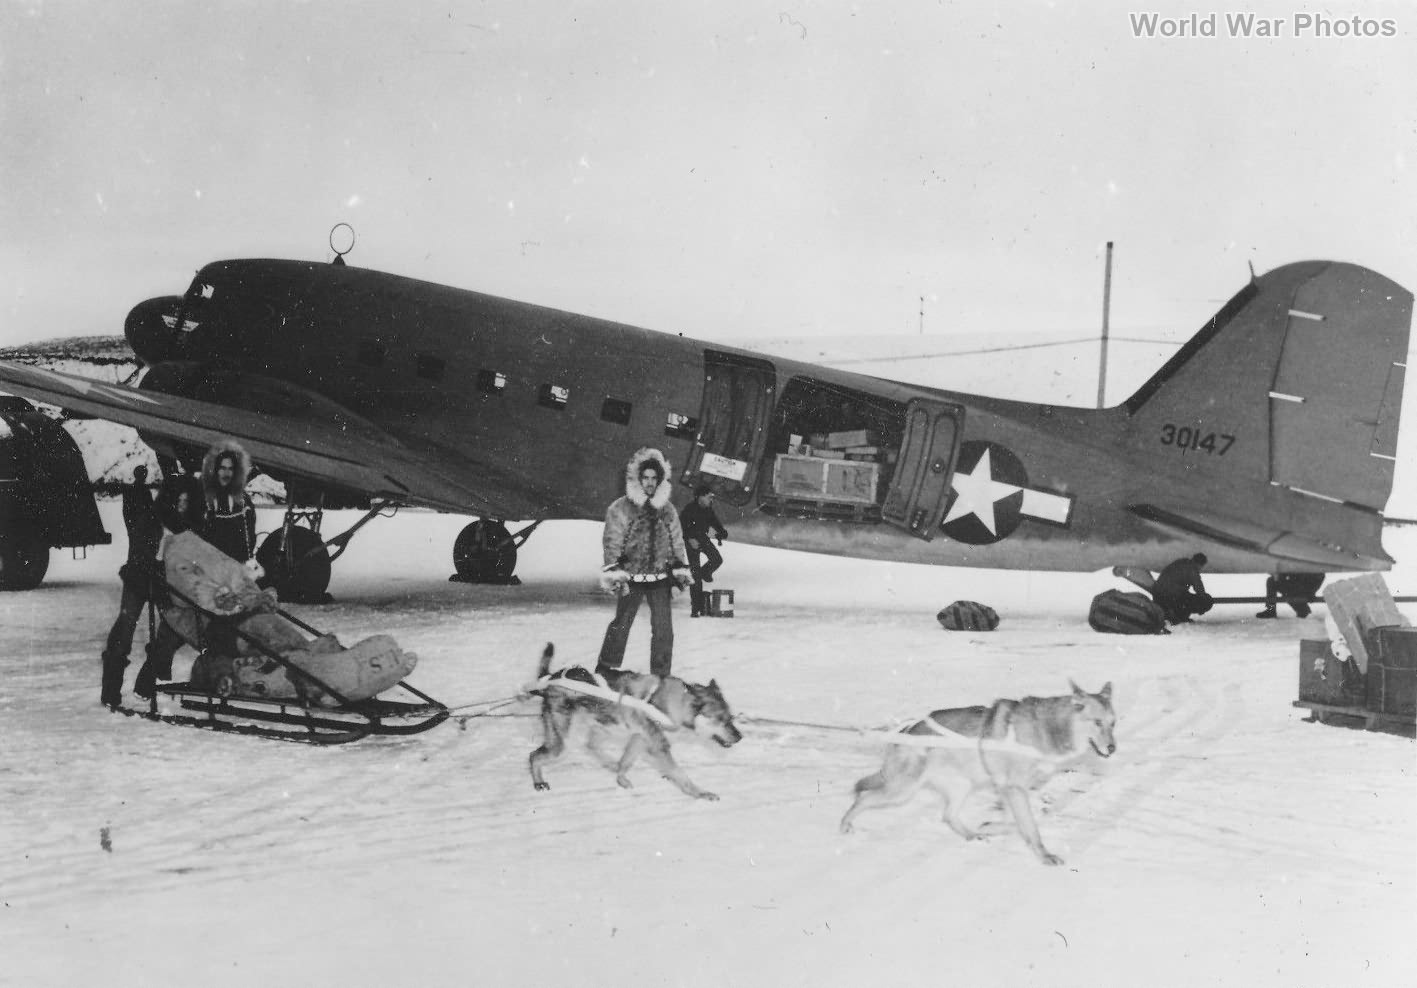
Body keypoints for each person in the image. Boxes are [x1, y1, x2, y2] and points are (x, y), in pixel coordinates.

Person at [100, 470, 205, 707]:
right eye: (178, 499)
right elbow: (141, 552)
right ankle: (111, 687)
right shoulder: (151, 519)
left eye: (187, 501)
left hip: (168, 585)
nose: (181, 505)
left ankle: (148, 676)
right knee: (125, 626)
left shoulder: (191, 527)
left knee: (176, 630)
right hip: (141, 578)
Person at [596, 447, 691, 677]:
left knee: (663, 630)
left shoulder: (667, 510)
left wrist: (679, 570)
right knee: (621, 624)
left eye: (654, 478)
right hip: (632, 579)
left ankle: (661, 676)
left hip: (660, 579)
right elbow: (612, 541)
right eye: (645, 478)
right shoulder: (621, 508)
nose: (649, 483)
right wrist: (615, 571)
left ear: (659, 481)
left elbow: (677, 541)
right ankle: (606, 669)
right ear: (638, 479)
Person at [201, 439, 257, 563]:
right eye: (222, 468)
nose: (226, 473)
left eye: (230, 469)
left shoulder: (243, 501)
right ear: (214, 470)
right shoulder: (204, 499)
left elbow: (250, 539)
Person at [679, 484, 728, 618]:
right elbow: (682, 527)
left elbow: (715, 523)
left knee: (717, 559)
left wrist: (722, 532)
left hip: (703, 538)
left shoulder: (708, 509)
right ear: (700, 497)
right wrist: (689, 539)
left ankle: (704, 573)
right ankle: (696, 608)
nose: (710, 500)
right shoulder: (689, 509)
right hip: (692, 541)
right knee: (695, 574)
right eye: (708, 497)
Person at [1150, 552, 1213, 625]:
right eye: (1201, 567)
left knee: (1185, 596)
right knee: (1205, 601)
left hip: (1158, 595)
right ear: (1199, 564)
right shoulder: (1192, 569)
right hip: (1170, 597)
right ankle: (1179, 616)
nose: (1200, 569)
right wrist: (1204, 602)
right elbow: (1199, 587)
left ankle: (1171, 614)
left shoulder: (1182, 562)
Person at [1256, 572, 1324, 619]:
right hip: (1302, 584)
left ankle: (1301, 608)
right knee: (1274, 582)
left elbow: (1320, 575)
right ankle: (1271, 609)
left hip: (1305, 585)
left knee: (1275, 583)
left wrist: (1311, 592)